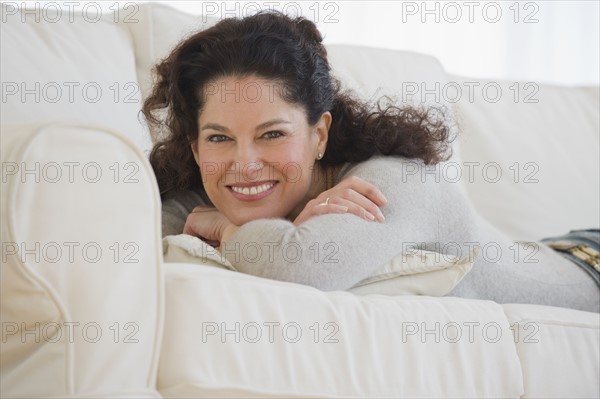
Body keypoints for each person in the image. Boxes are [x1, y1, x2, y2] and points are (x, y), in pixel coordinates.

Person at [142, 11, 599, 312]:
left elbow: (298, 266)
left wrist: (223, 227)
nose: (243, 163)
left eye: (273, 134)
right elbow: (151, 235)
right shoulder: (211, 188)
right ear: (196, 146)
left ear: (319, 133)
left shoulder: (385, 185)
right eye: (220, 137)